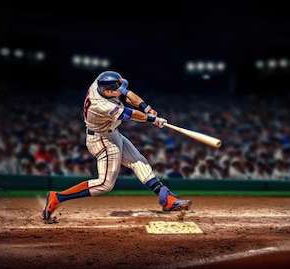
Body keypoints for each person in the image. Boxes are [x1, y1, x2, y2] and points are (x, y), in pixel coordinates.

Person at [43, 71, 192, 220]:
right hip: (102, 140)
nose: (120, 90)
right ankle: (57, 198)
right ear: (107, 91)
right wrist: (153, 120)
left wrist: (146, 108)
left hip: (111, 133)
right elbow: (131, 114)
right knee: (105, 184)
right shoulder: (101, 105)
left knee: (138, 161)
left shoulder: (100, 83)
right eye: (116, 88)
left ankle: (166, 198)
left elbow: (127, 94)